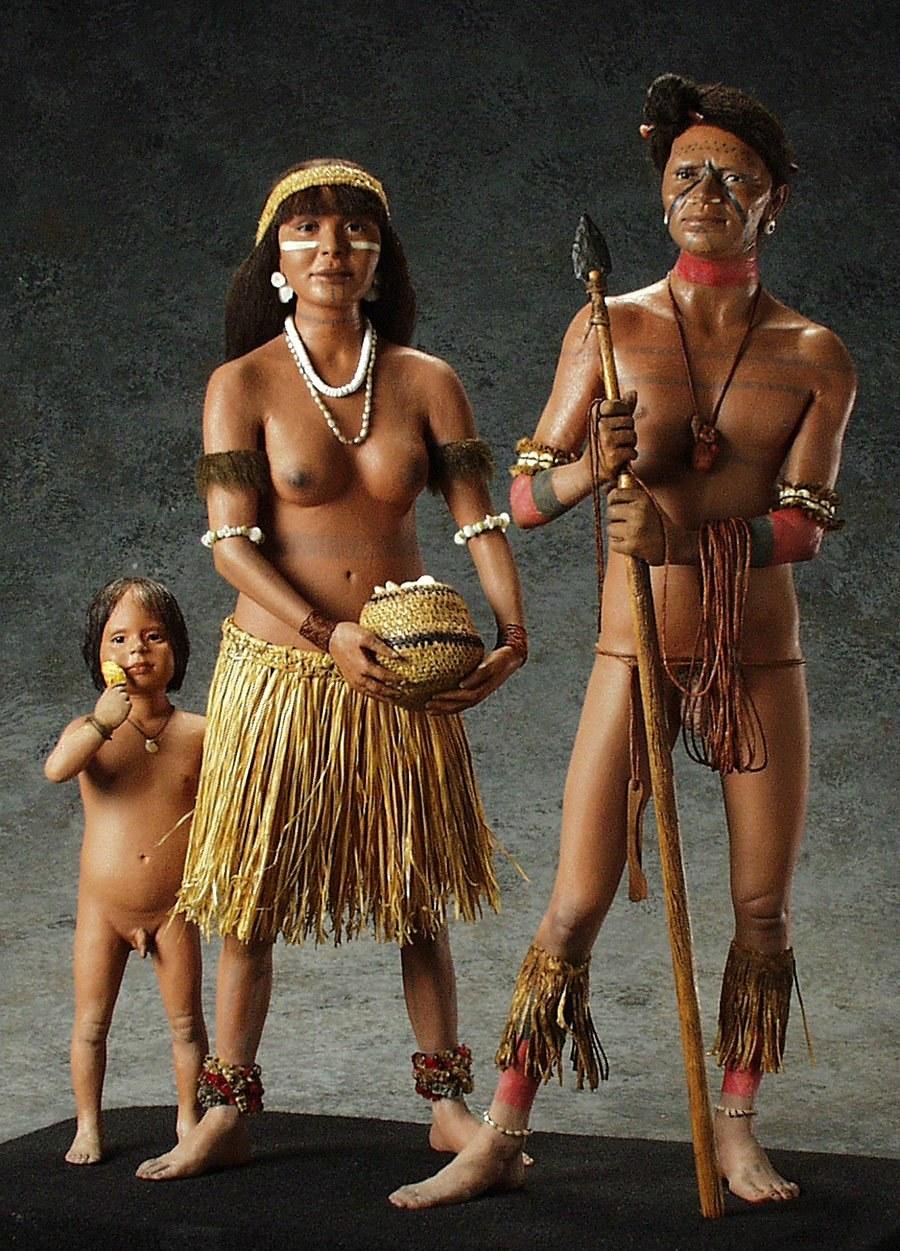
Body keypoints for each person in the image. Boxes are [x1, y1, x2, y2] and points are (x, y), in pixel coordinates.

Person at [390, 73, 856, 1210]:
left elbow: (806, 523)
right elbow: (524, 495)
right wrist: (593, 471)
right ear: (659, 192)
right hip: (627, 654)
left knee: (761, 906)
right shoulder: (609, 328)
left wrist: (684, 533)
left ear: (776, 199)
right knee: (575, 901)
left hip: (756, 661)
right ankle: (501, 1132)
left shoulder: (814, 354)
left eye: (734, 177)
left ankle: (736, 1127)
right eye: (687, 172)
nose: (707, 192)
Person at [136, 159, 527, 1181]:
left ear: (380, 256)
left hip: (402, 669)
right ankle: (225, 1111)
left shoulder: (427, 380)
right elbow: (230, 547)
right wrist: (324, 632)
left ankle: (447, 1107)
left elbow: (477, 518)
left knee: (418, 895)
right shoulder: (243, 384)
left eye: (355, 229)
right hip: (282, 669)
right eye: (307, 227)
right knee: (251, 899)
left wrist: (514, 631)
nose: (332, 247)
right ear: (276, 257)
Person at [45, 577, 207, 1165]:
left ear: (177, 650)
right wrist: (100, 723)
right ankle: (88, 1123)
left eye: (153, 636)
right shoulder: (87, 734)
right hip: (103, 908)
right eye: (119, 639)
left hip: (174, 906)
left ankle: (189, 1117)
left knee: (187, 1024)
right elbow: (57, 769)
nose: (137, 650)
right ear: (98, 655)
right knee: (91, 1024)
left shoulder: (198, 733)